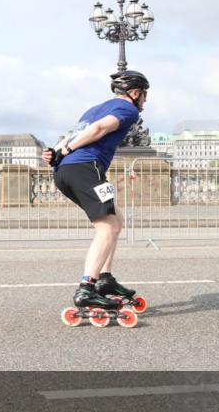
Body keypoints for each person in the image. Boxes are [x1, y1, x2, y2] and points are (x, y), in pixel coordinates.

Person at [41, 70, 149, 309]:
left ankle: (105, 279)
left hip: (65, 172)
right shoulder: (128, 110)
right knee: (107, 227)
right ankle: (87, 288)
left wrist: (56, 152)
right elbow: (98, 130)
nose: (145, 101)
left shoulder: (94, 108)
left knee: (116, 221)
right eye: (144, 95)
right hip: (85, 168)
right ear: (134, 93)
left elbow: (73, 134)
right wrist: (67, 150)